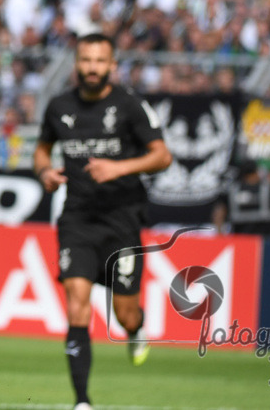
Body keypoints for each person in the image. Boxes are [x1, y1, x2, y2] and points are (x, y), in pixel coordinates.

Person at [33, 33, 172, 410]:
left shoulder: (130, 105)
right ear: (76, 63)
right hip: (77, 219)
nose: (91, 68)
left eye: (99, 61)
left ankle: (136, 327)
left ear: (112, 65)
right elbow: (42, 149)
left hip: (121, 220)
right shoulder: (59, 106)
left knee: (124, 313)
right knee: (76, 303)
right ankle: (82, 401)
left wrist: (119, 168)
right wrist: (44, 171)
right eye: (86, 60)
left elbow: (162, 156)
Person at [212, 160, 270, 239]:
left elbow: (218, 214)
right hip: (267, 241)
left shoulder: (231, 192)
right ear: (255, 173)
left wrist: (221, 238)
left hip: (240, 241)